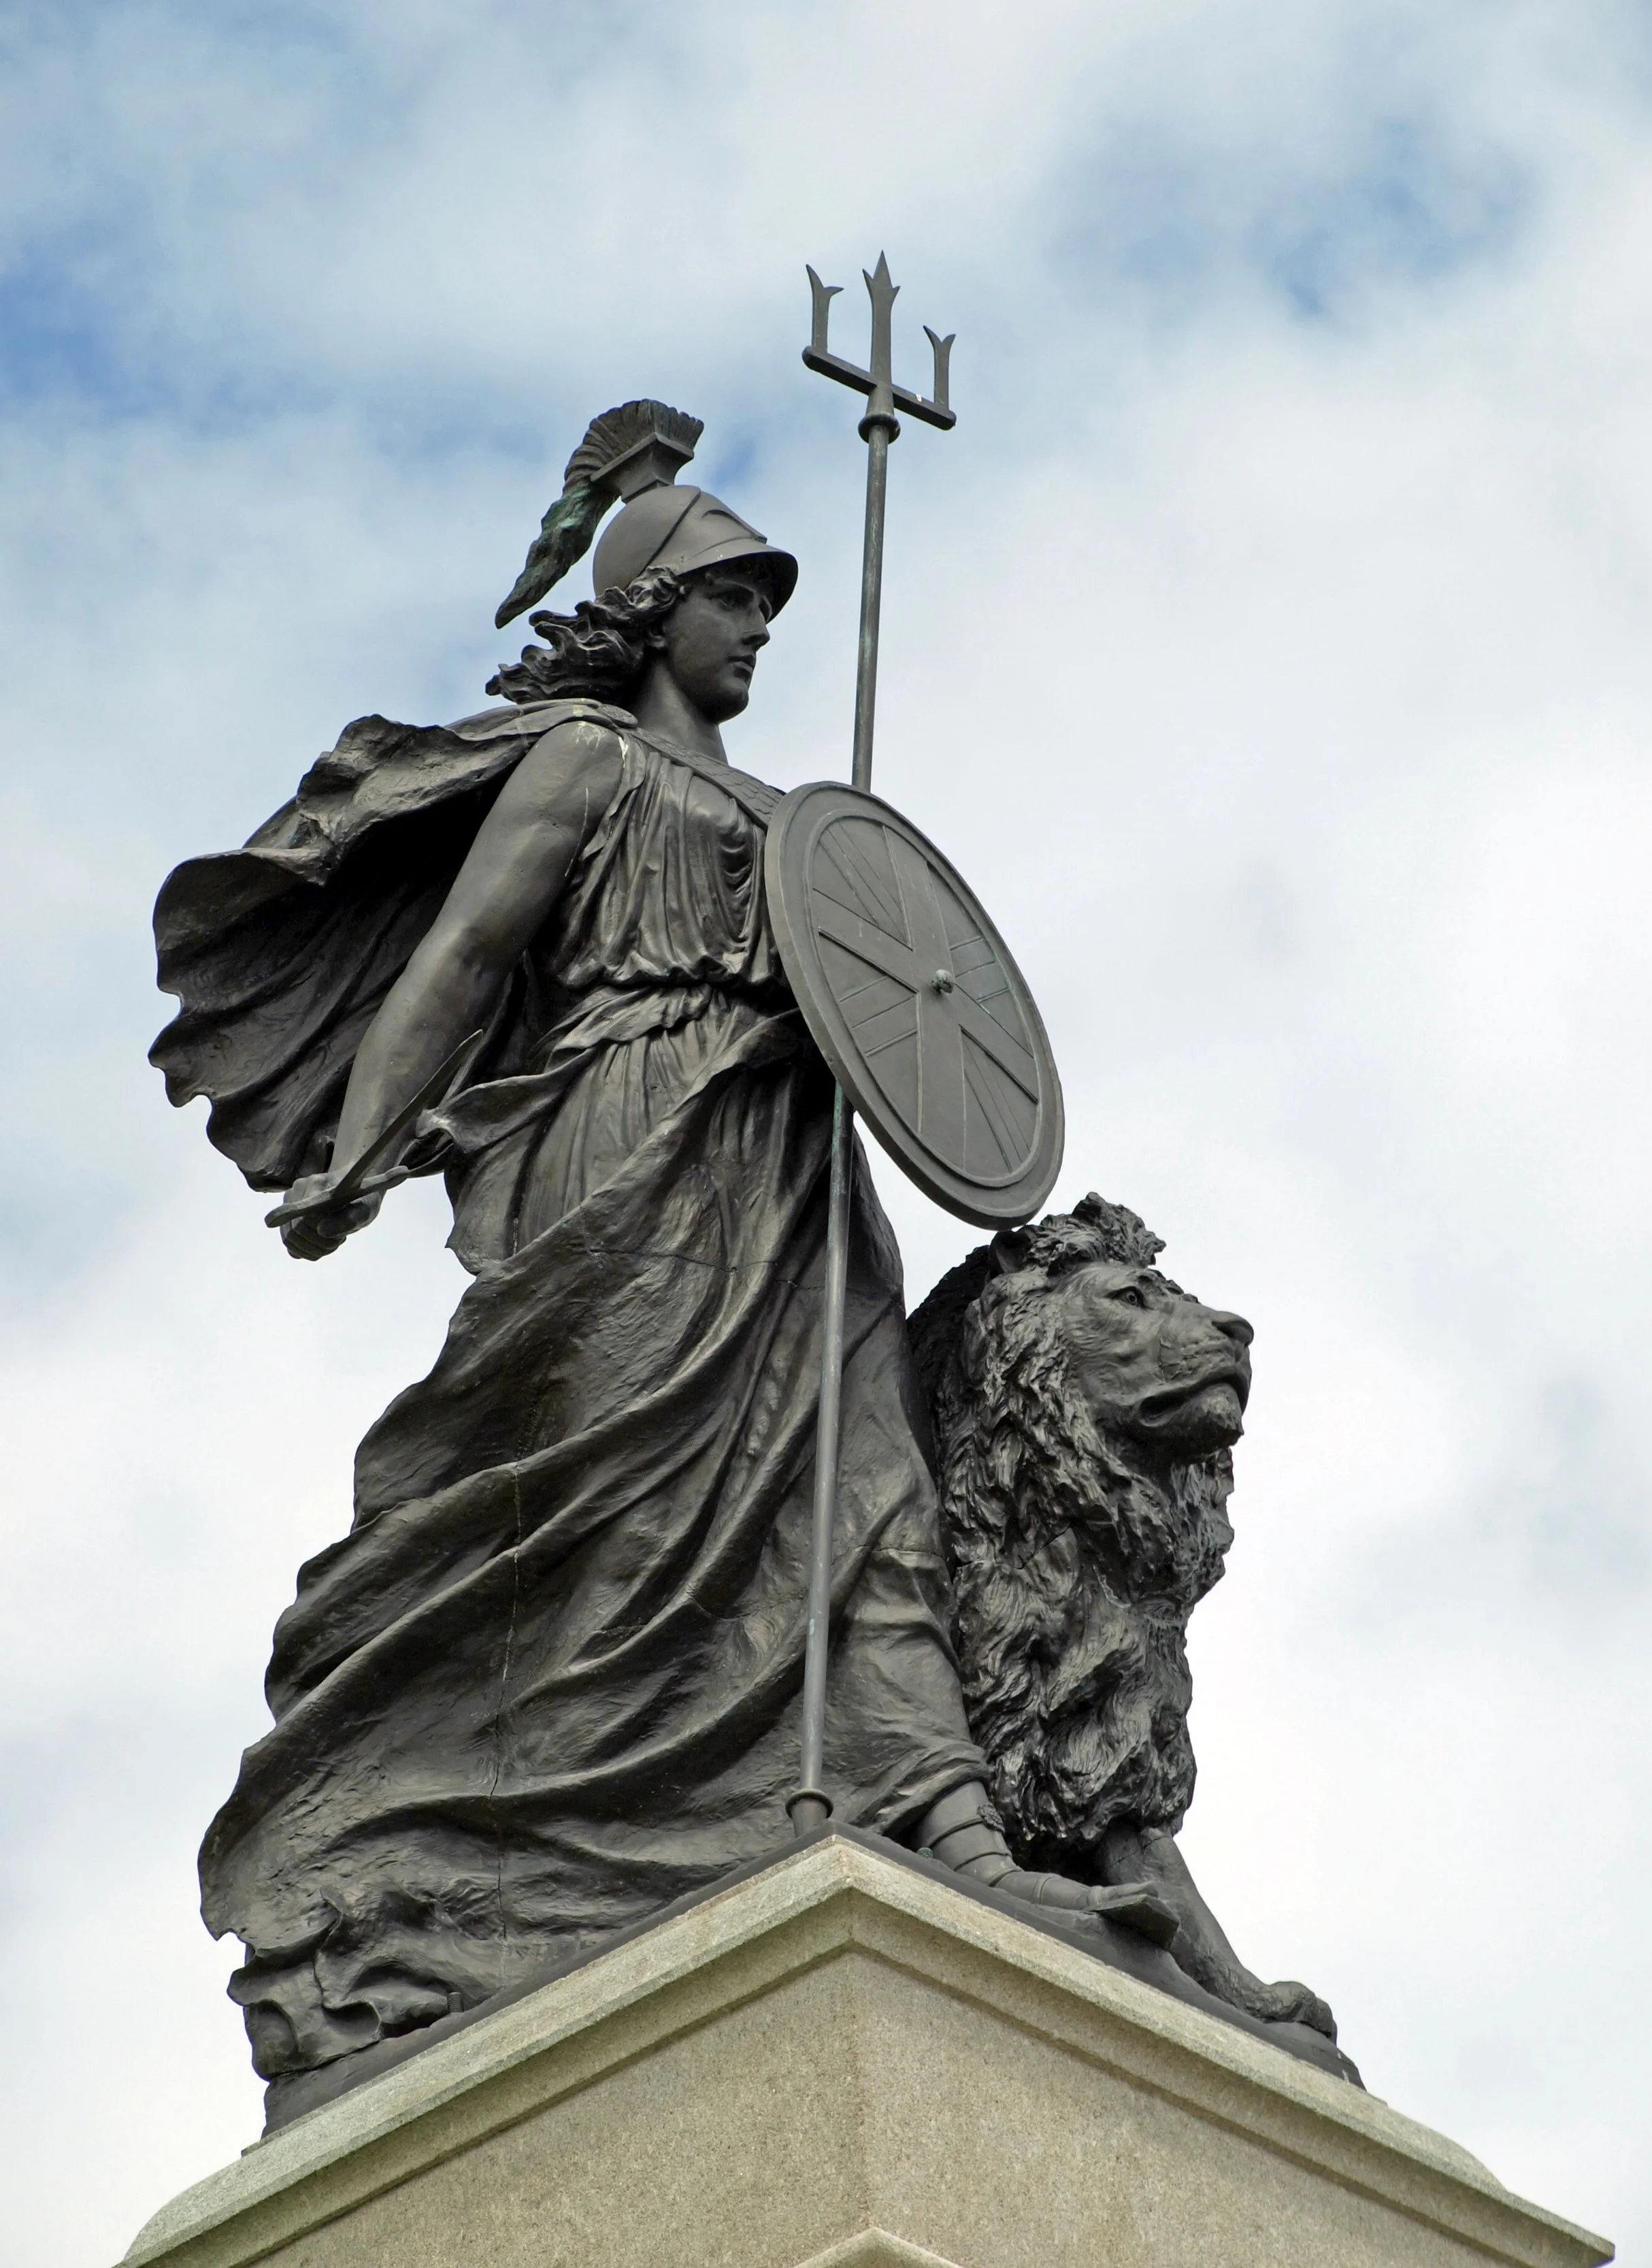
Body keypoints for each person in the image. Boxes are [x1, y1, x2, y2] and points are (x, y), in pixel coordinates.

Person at [152, 403, 1174, 2125]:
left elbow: (899, 997)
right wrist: (360, 1147)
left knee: (861, 1475)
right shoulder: (583, 769)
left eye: (773, 602)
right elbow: (471, 956)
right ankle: (529, 1820)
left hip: (792, 1155)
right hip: (634, 1142)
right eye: (731, 598)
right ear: (653, 614)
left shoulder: (793, 815)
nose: (761, 625)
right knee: (617, 1495)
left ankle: (936, 1802)